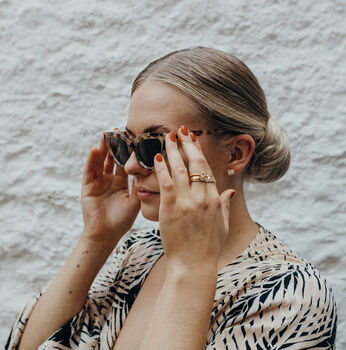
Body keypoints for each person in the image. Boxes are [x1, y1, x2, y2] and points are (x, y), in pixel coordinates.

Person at [6, 47, 337, 350]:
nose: (132, 165)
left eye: (154, 144)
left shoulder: (290, 295)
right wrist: (96, 238)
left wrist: (191, 268)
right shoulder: (138, 254)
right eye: (126, 143)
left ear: (235, 152)